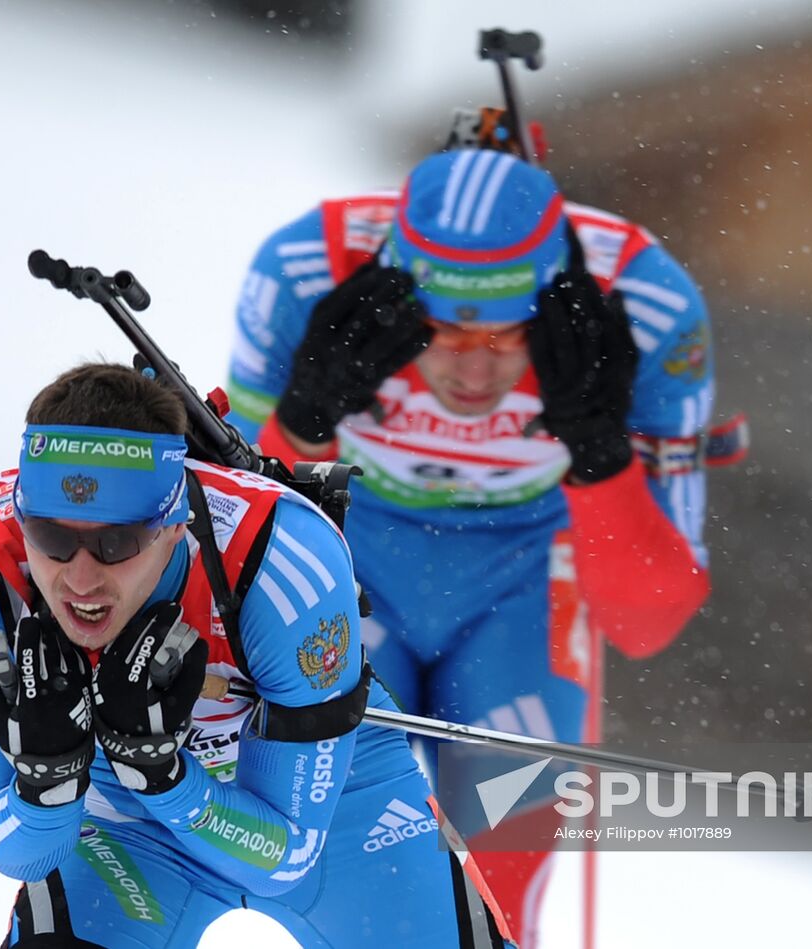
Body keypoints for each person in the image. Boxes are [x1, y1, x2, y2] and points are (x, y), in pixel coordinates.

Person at [224, 147, 717, 944]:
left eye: (505, 333)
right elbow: (225, 549)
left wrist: (599, 451)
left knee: (496, 887)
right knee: (354, 878)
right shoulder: (305, 270)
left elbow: (647, 619)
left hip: (523, 578)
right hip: (356, 554)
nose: (472, 368)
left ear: (553, 304)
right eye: (441, 329)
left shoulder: (646, 301)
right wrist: (304, 419)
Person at [0, 362, 514, 948]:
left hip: (336, 801)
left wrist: (165, 777)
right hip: (122, 821)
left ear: (175, 525)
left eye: (115, 543)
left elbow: (287, 858)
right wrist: (48, 781)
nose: (80, 580)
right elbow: (12, 848)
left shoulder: (282, 564)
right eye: (51, 539)